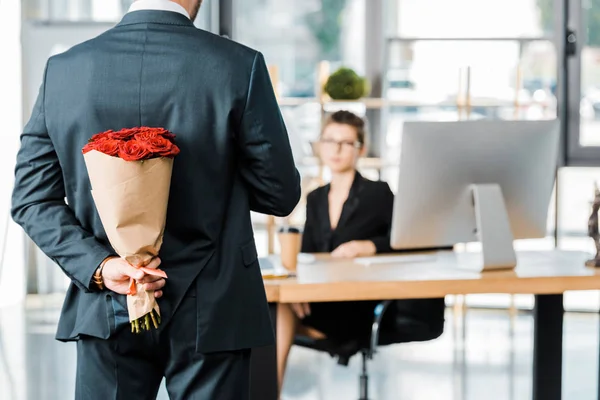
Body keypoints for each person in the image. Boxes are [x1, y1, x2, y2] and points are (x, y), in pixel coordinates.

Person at [11, 1, 301, 399]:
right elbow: (279, 194)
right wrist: (220, 167)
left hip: (106, 301)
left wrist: (100, 265)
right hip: (213, 307)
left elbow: (31, 199)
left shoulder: (63, 70)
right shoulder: (238, 66)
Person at [276, 111, 445, 393]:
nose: (336, 149)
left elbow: (411, 237)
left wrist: (370, 246)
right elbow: (307, 255)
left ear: (360, 149)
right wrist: (298, 292)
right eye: (330, 141)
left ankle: (270, 392)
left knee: (277, 315)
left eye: (346, 143)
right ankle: (270, 391)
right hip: (321, 300)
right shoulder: (316, 198)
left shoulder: (378, 193)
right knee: (275, 308)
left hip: (360, 304)